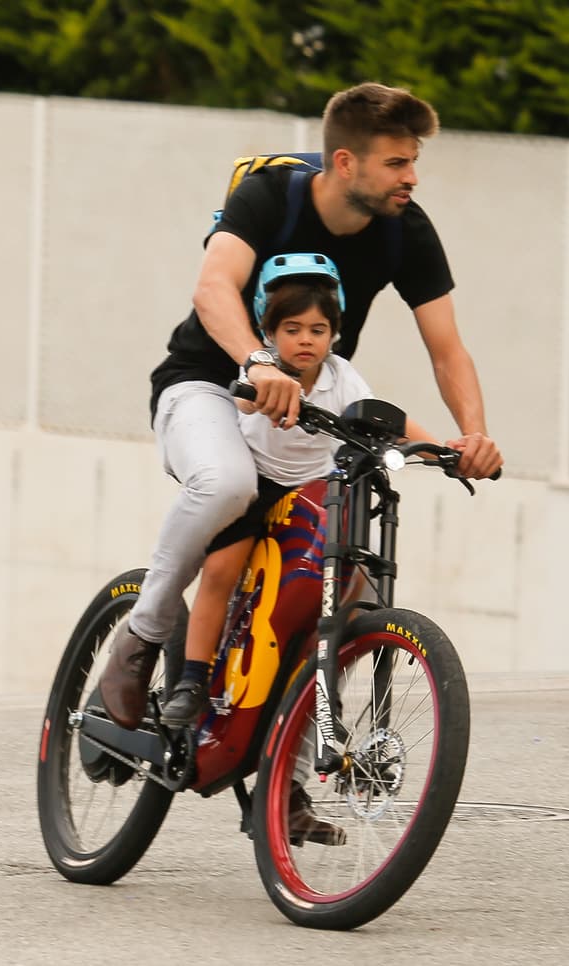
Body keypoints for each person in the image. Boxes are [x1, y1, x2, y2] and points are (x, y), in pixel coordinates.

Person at [98, 81, 503, 737]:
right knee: (226, 484)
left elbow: (448, 349)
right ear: (346, 163)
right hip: (206, 385)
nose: (413, 177)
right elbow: (213, 287)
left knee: (346, 572)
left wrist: (472, 436)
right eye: (398, 162)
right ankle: (141, 639)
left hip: (310, 410)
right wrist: (257, 362)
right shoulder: (270, 197)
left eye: (413, 161)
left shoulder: (406, 230)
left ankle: (296, 747)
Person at [156, 253, 436, 732]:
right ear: (269, 332)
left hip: (313, 494)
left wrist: (439, 449)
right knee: (221, 570)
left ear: (334, 334)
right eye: (292, 328)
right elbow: (244, 397)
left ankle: (322, 689)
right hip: (258, 487)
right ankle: (190, 679)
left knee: (341, 585)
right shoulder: (262, 375)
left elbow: (385, 416)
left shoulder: (341, 377)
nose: (306, 339)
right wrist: (257, 394)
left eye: (318, 329)